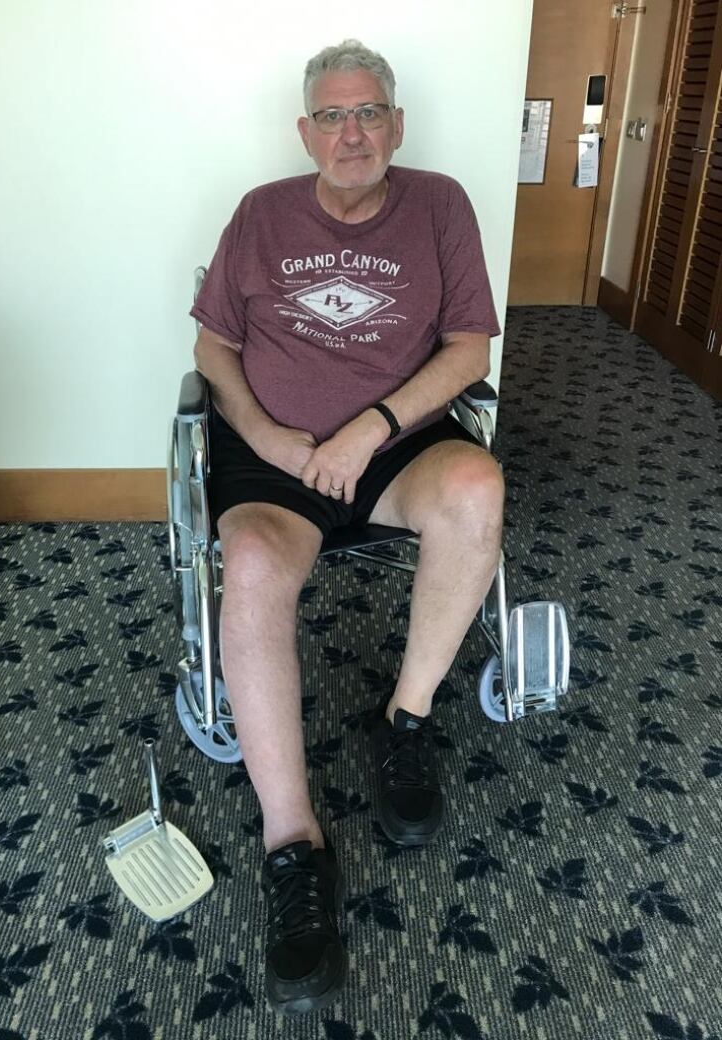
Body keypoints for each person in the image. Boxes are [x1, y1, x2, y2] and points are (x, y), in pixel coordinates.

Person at [190, 39, 504, 1014]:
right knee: (248, 557)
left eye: (369, 113)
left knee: (477, 487)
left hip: (393, 442)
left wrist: (372, 427)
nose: (352, 132)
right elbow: (213, 344)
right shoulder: (260, 214)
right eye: (332, 116)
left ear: (396, 125)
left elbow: (468, 346)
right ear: (305, 131)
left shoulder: (441, 203)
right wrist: (272, 439)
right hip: (277, 456)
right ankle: (294, 843)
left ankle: (403, 718)